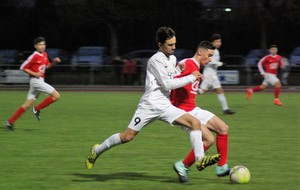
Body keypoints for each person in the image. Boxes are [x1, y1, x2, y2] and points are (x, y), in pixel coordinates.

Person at [85, 26, 220, 173]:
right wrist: (191, 77)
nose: (173, 48)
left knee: (195, 123)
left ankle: (200, 160)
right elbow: (167, 84)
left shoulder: (173, 58)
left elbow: (170, 76)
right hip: (149, 105)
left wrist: (177, 70)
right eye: (170, 45)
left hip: (165, 105)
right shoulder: (154, 60)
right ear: (160, 45)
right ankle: (97, 150)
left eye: (174, 44)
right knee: (127, 136)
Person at [171, 41, 230, 183]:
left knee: (223, 128)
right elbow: (172, 78)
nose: (210, 59)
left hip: (193, 108)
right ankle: (183, 165)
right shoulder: (189, 63)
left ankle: (221, 166)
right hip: (181, 112)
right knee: (208, 139)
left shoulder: (195, 65)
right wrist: (179, 70)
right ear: (200, 52)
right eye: (209, 55)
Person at [4, 37, 61, 131]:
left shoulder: (44, 54)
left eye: (43, 44)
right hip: (36, 81)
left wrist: (54, 62)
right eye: (39, 44)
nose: (42, 46)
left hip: (39, 81)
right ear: (35, 46)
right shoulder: (34, 56)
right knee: (56, 96)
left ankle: (10, 121)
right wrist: (35, 74)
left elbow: (47, 66)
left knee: (27, 105)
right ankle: (37, 109)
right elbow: (22, 67)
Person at [198, 34, 235, 115]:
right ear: (213, 42)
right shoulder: (211, 50)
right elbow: (208, 62)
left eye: (220, 41)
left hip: (213, 75)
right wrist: (221, 63)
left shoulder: (215, 50)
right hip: (208, 74)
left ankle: (226, 109)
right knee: (201, 91)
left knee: (219, 91)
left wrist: (219, 64)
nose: (219, 43)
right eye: (218, 41)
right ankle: (187, 93)